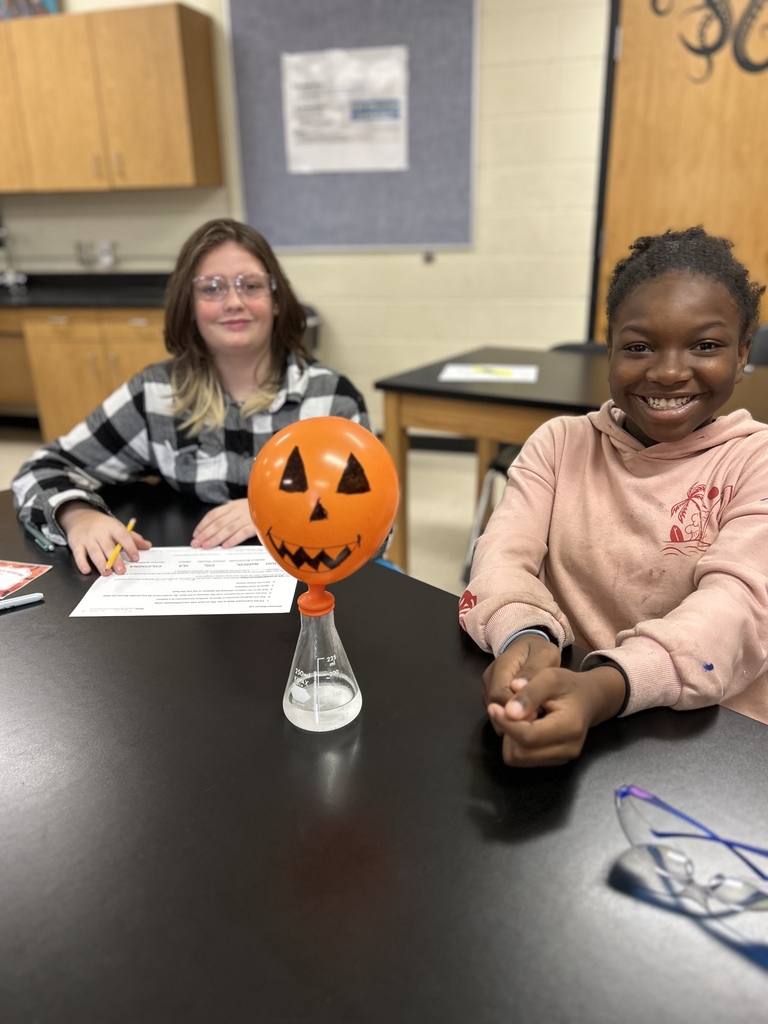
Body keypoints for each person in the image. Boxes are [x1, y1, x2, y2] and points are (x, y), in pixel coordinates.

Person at [460, 226, 768, 767]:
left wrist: (604, 687)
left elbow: (736, 611)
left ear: (744, 352)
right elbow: (501, 554)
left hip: (714, 735)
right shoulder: (559, 444)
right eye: (639, 346)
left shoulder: (755, 462)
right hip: (570, 702)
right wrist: (523, 634)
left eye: (705, 345)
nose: (669, 371)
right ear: (610, 349)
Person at [12, 218, 370, 576]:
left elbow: (372, 522)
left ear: (277, 300)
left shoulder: (332, 401)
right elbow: (43, 468)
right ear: (190, 304)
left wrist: (276, 510)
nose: (233, 302)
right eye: (212, 288)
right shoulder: (156, 395)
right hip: (199, 595)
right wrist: (78, 516)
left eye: (251, 285)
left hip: (308, 589)